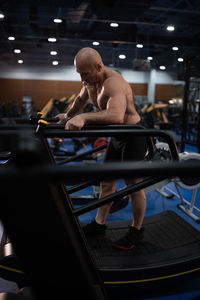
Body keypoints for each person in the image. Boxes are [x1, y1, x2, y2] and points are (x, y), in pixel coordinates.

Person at [56, 47, 148, 250]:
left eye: (85, 74)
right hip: (117, 136)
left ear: (99, 66)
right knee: (106, 182)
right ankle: (99, 225)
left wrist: (84, 117)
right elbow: (80, 99)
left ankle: (137, 231)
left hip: (133, 135)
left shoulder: (114, 82)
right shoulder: (90, 81)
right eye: (79, 74)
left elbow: (116, 116)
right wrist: (69, 115)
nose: (82, 79)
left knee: (133, 185)